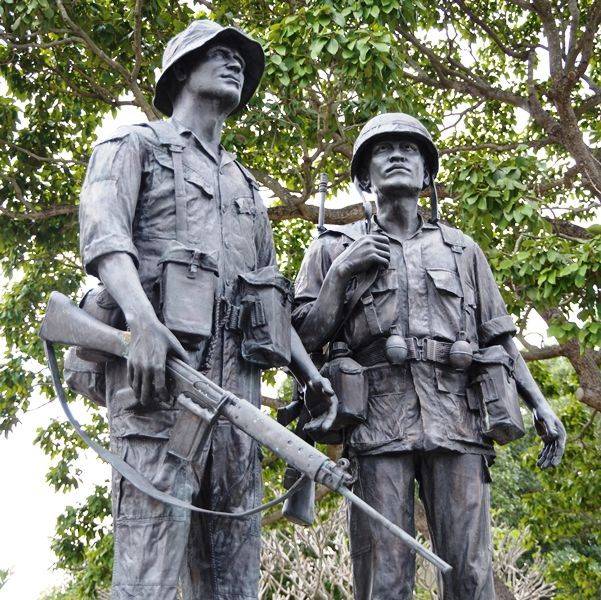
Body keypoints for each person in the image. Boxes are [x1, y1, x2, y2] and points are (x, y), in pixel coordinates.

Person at [78, 20, 335, 600]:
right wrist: (142, 320)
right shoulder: (134, 144)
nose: (235, 64)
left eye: (240, 59)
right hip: (159, 392)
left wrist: (308, 374)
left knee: (235, 580)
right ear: (181, 72)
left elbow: (272, 300)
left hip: (237, 407)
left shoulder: (246, 188)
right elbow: (104, 237)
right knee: (148, 574)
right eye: (218, 55)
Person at [292, 113, 566, 599]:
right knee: (384, 575)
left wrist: (540, 403)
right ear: (362, 176)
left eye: (410, 149)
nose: (398, 155)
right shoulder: (332, 247)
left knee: (470, 573)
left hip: (458, 423)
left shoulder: (463, 250)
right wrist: (339, 276)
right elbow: (300, 342)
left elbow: (498, 338)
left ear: (427, 174)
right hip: (376, 426)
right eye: (383, 149)